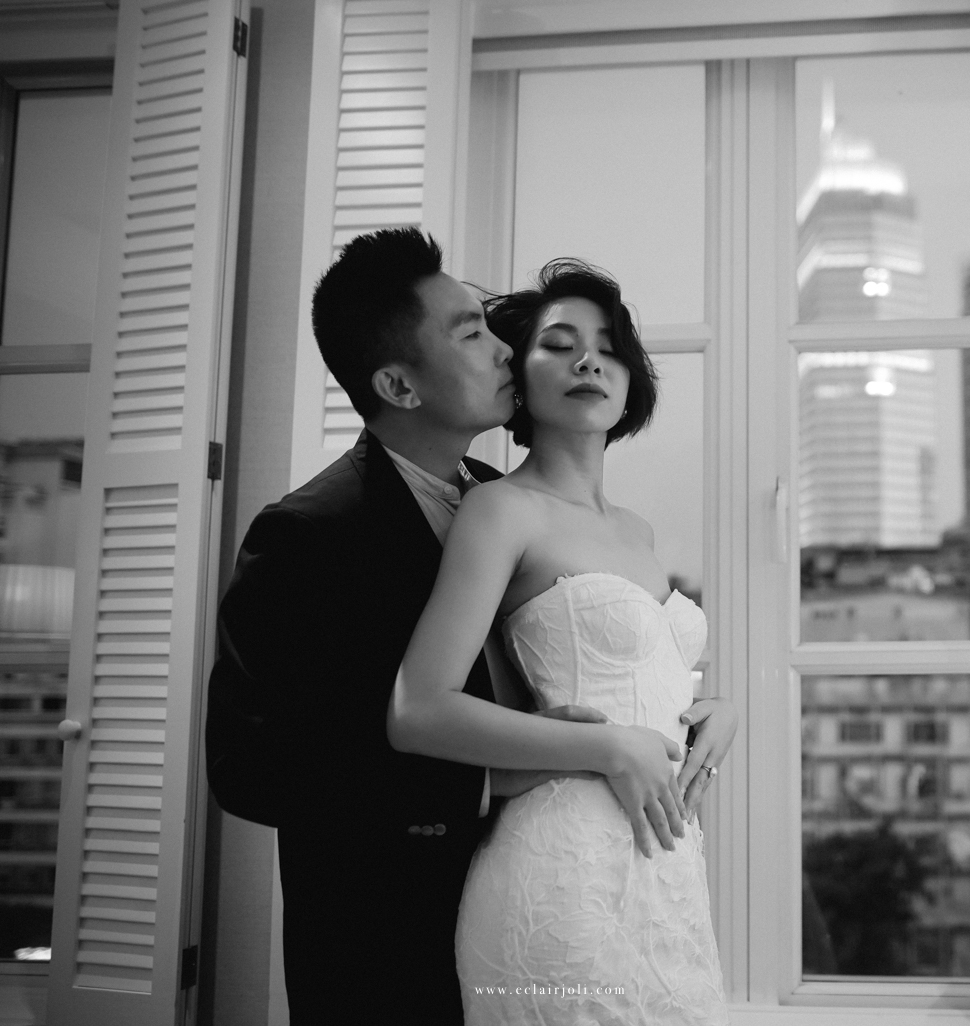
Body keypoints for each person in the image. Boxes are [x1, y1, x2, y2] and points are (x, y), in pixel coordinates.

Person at [205, 229, 736, 1025]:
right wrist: (488, 783)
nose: (503, 349)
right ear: (399, 384)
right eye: (470, 334)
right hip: (387, 942)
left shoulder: (505, 498)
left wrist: (688, 712)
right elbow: (251, 769)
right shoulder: (308, 535)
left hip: (587, 889)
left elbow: (565, 674)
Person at [388, 259, 733, 1024]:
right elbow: (418, 710)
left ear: (632, 381)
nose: (589, 362)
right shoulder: (500, 509)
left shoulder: (639, 532)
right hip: (561, 873)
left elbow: (636, 679)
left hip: (667, 871)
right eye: (559, 344)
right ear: (518, 377)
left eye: (609, 348)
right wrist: (607, 746)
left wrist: (716, 711)